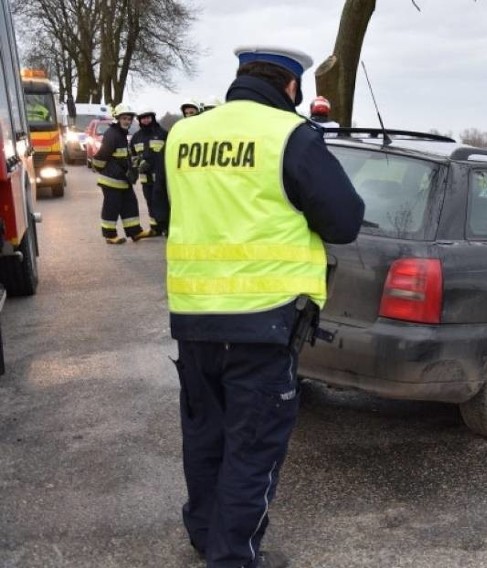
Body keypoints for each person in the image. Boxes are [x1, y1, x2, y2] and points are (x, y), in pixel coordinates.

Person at [162, 45, 364, 567]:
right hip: (263, 321)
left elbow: (166, 212)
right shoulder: (290, 136)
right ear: (291, 87)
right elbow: (343, 222)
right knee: (252, 449)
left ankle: (207, 537)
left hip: (193, 318)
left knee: (205, 438)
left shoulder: (183, 135)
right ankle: (232, 558)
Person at [91, 103, 154, 244]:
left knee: (130, 204)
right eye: (124, 118)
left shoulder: (121, 134)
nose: (127, 121)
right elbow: (101, 156)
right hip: (111, 180)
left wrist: (134, 164)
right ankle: (110, 235)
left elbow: (123, 156)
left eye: (129, 119)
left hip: (122, 179)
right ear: (117, 119)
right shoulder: (112, 134)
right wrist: (103, 170)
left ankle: (135, 232)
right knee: (111, 207)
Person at [130, 108, 168, 236]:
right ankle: (155, 228)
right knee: (150, 203)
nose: (146, 120)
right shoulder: (136, 137)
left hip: (161, 178)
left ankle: (166, 227)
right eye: (143, 118)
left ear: (153, 117)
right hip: (146, 179)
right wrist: (136, 165)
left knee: (163, 203)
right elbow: (133, 156)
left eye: (148, 117)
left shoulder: (163, 134)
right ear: (139, 120)